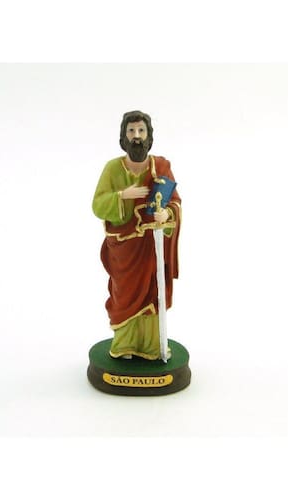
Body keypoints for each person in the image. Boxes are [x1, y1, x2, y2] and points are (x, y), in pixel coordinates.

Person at [92, 111, 181, 360]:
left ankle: (152, 346)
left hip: (151, 246)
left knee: (153, 292)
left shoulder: (160, 167)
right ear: (123, 136)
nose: (137, 136)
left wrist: (167, 214)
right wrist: (122, 196)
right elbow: (97, 205)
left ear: (149, 136)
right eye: (131, 131)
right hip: (124, 250)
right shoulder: (112, 169)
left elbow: (174, 201)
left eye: (141, 130)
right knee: (124, 295)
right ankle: (124, 344)